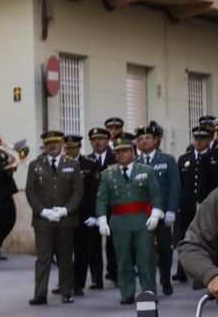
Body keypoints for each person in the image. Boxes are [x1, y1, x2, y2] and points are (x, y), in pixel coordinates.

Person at [98, 136, 162, 304]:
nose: (121, 154)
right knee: (123, 259)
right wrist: (102, 220)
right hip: (119, 222)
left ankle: (149, 292)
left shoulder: (146, 170)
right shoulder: (108, 174)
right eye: (118, 152)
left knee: (146, 258)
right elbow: (101, 199)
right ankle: (127, 293)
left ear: (133, 152)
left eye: (125, 151)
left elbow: (155, 194)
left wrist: (155, 213)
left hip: (142, 221)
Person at [24, 130, 82, 307]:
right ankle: (40, 294)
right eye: (49, 143)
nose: (52, 146)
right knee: (43, 258)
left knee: (65, 258)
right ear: (44, 145)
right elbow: (30, 192)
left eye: (55, 142)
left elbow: (78, 191)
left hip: (65, 220)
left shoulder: (72, 164)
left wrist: (66, 210)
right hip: (43, 221)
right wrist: (42, 211)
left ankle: (67, 292)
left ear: (62, 144)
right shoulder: (35, 165)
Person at [138, 123, 180, 295]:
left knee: (164, 249)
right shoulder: (135, 161)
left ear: (156, 140)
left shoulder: (167, 160)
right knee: (144, 251)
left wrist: (171, 210)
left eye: (148, 138)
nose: (144, 141)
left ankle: (165, 279)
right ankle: (148, 285)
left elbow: (174, 186)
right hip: (142, 215)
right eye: (141, 138)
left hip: (162, 214)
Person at [175, 125, 217, 285]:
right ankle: (181, 271)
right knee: (186, 236)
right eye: (196, 138)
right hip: (189, 205)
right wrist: (210, 275)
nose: (198, 141)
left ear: (209, 140)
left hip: (204, 202)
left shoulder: (213, 157)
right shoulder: (184, 159)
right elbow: (192, 246)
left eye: (202, 138)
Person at [74, 129, 110, 294]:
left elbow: (96, 191)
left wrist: (96, 215)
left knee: (96, 247)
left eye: (101, 139)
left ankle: (100, 278)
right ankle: (79, 282)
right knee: (81, 249)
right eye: (94, 139)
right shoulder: (86, 160)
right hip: (77, 212)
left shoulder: (94, 163)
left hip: (96, 211)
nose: (97, 142)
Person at [0, 132, 20, 260]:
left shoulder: (1, 155)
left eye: (0, 141)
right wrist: (7, 166)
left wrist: (10, 165)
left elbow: (4, 169)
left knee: (10, 220)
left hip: (7, 192)